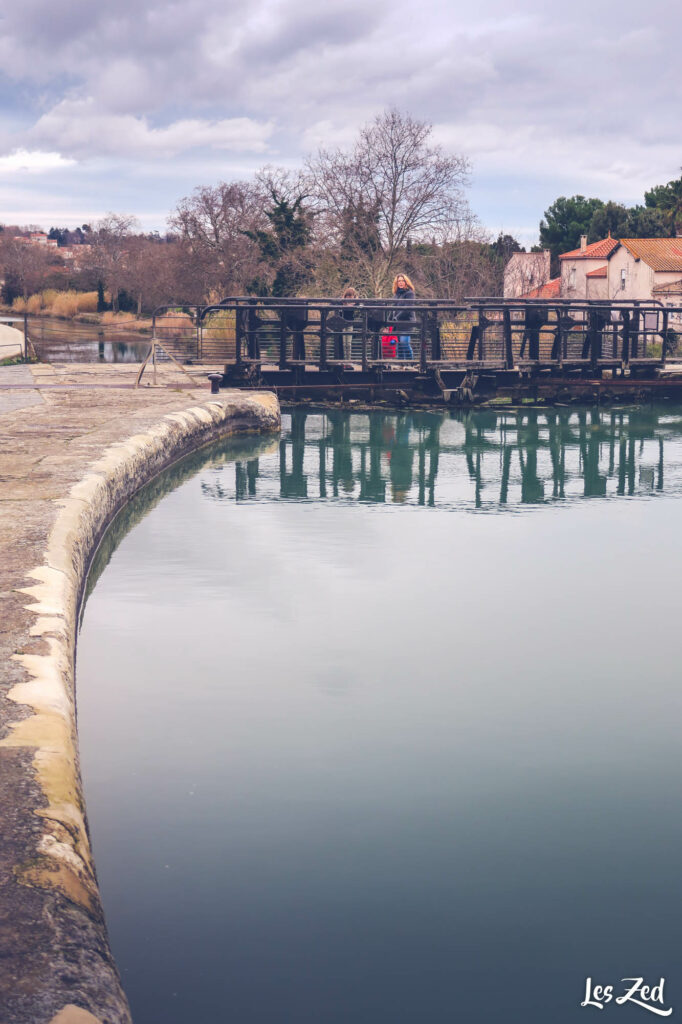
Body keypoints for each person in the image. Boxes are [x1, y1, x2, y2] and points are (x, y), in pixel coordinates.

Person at [391, 273, 415, 359]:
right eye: (399, 281)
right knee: (399, 346)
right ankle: (400, 364)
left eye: (402, 281)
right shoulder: (396, 295)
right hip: (397, 324)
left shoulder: (409, 293)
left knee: (404, 343)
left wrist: (396, 317)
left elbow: (407, 308)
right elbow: (393, 309)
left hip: (407, 322)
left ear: (406, 282)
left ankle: (410, 364)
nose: (400, 283)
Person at [339, 287, 358, 365]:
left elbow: (360, 303)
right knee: (344, 343)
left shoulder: (355, 303)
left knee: (348, 343)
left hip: (350, 324)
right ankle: (344, 361)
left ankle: (348, 361)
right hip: (343, 324)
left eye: (351, 296)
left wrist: (356, 298)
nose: (350, 298)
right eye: (348, 296)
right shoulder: (342, 302)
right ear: (346, 296)